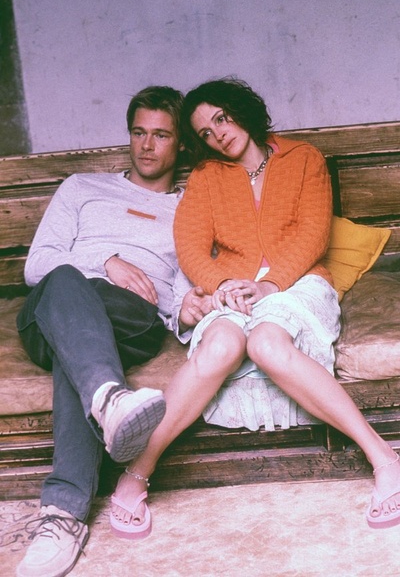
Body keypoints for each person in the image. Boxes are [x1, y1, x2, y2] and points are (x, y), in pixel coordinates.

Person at [111, 77, 400, 537]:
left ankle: (385, 460)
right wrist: (221, 285)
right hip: (232, 287)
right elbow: (189, 246)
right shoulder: (207, 177)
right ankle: (136, 473)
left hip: (299, 282)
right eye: (205, 132)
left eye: (221, 118)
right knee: (220, 346)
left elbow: (313, 233)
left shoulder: (303, 159)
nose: (218, 134)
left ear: (240, 110)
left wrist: (270, 284)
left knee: (266, 343)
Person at [16, 85, 211, 577]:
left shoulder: (188, 209)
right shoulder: (82, 187)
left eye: (161, 135)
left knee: (78, 351)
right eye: (138, 132)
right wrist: (107, 260)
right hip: (54, 307)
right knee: (67, 281)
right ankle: (107, 399)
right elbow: (38, 265)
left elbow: (178, 297)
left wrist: (189, 308)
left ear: (181, 144)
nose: (147, 145)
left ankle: (62, 516)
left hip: (132, 318)